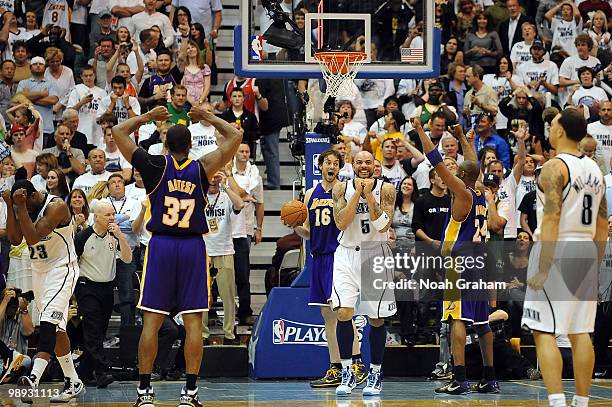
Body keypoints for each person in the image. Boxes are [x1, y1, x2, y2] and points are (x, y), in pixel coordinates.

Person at [111, 104, 241, 406]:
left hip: (161, 246)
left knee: (152, 322)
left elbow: (118, 131)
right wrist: (207, 117)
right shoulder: (202, 166)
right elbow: (235, 134)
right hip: (193, 247)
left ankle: (144, 392)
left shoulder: (153, 164)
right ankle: (190, 392)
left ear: (166, 144)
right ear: (192, 145)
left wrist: (146, 118)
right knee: (194, 323)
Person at [521, 108, 607, 407]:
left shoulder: (554, 167)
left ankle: (557, 401)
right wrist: (595, 263)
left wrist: (543, 267)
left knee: (542, 329)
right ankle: (582, 402)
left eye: (554, 123)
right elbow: (603, 222)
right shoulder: (596, 171)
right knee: (580, 331)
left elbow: (551, 219)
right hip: (585, 249)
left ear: (560, 131)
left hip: (558, 247)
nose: (551, 127)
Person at [413, 117, 499, 395]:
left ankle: (460, 378)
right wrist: (463, 137)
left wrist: (419, 130)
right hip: (479, 262)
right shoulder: (481, 190)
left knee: (456, 319)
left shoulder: (462, 192)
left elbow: (435, 159)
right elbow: (473, 163)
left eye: (456, 170)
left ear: (461, 176)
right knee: (483, 322)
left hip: (460, 264)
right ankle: (489, 377)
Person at [291, 150, 366, 388]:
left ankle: (357, 364)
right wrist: (295, 226)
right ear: (320, 166)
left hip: (340, 256)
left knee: (343, 312)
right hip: (319, 257)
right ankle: (335, 367)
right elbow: (307, 230)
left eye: (336, 163)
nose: (331, 166)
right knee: (327, 316)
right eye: (328, 162)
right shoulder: (311, 193)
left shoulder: (344, 190)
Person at [4, 180, 84, 403]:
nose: (25, 210)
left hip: (62, 269)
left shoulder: (56, 206)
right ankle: (73, 381)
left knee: (48, 323)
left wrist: (19, 207)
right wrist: (11, 207)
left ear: (31, 197)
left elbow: (32, 238)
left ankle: (33, 378)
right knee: (58, 329)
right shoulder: (22, 205)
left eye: (25, 205)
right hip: (39, 272)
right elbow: (14, 239)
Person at [331, 150, 396, 396]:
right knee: (344, 312)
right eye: (359, 162)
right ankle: (347, 372)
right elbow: (341, 223)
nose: (364, 166)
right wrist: (358, 192)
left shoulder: (386, 189)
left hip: (375, 253)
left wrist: (369, 195)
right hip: (347, 252)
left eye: (368, 162)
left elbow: (384, 225)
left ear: (375, 165)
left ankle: (375, 373)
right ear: (353, 165)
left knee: (376, 319)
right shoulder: (340, 188)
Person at [74, 201, 131, 388]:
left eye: (113, 214)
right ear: (96, 217)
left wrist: (121, 236)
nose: (112, 218)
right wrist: (71, 295)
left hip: (107, 290)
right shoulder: (83, 237)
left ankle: (82, 373)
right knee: (92, 332)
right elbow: (71, 265)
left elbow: (128, 259)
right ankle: (102, 372)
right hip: (87, 288)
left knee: (98, 333)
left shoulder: (114, 236)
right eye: (107, 215)